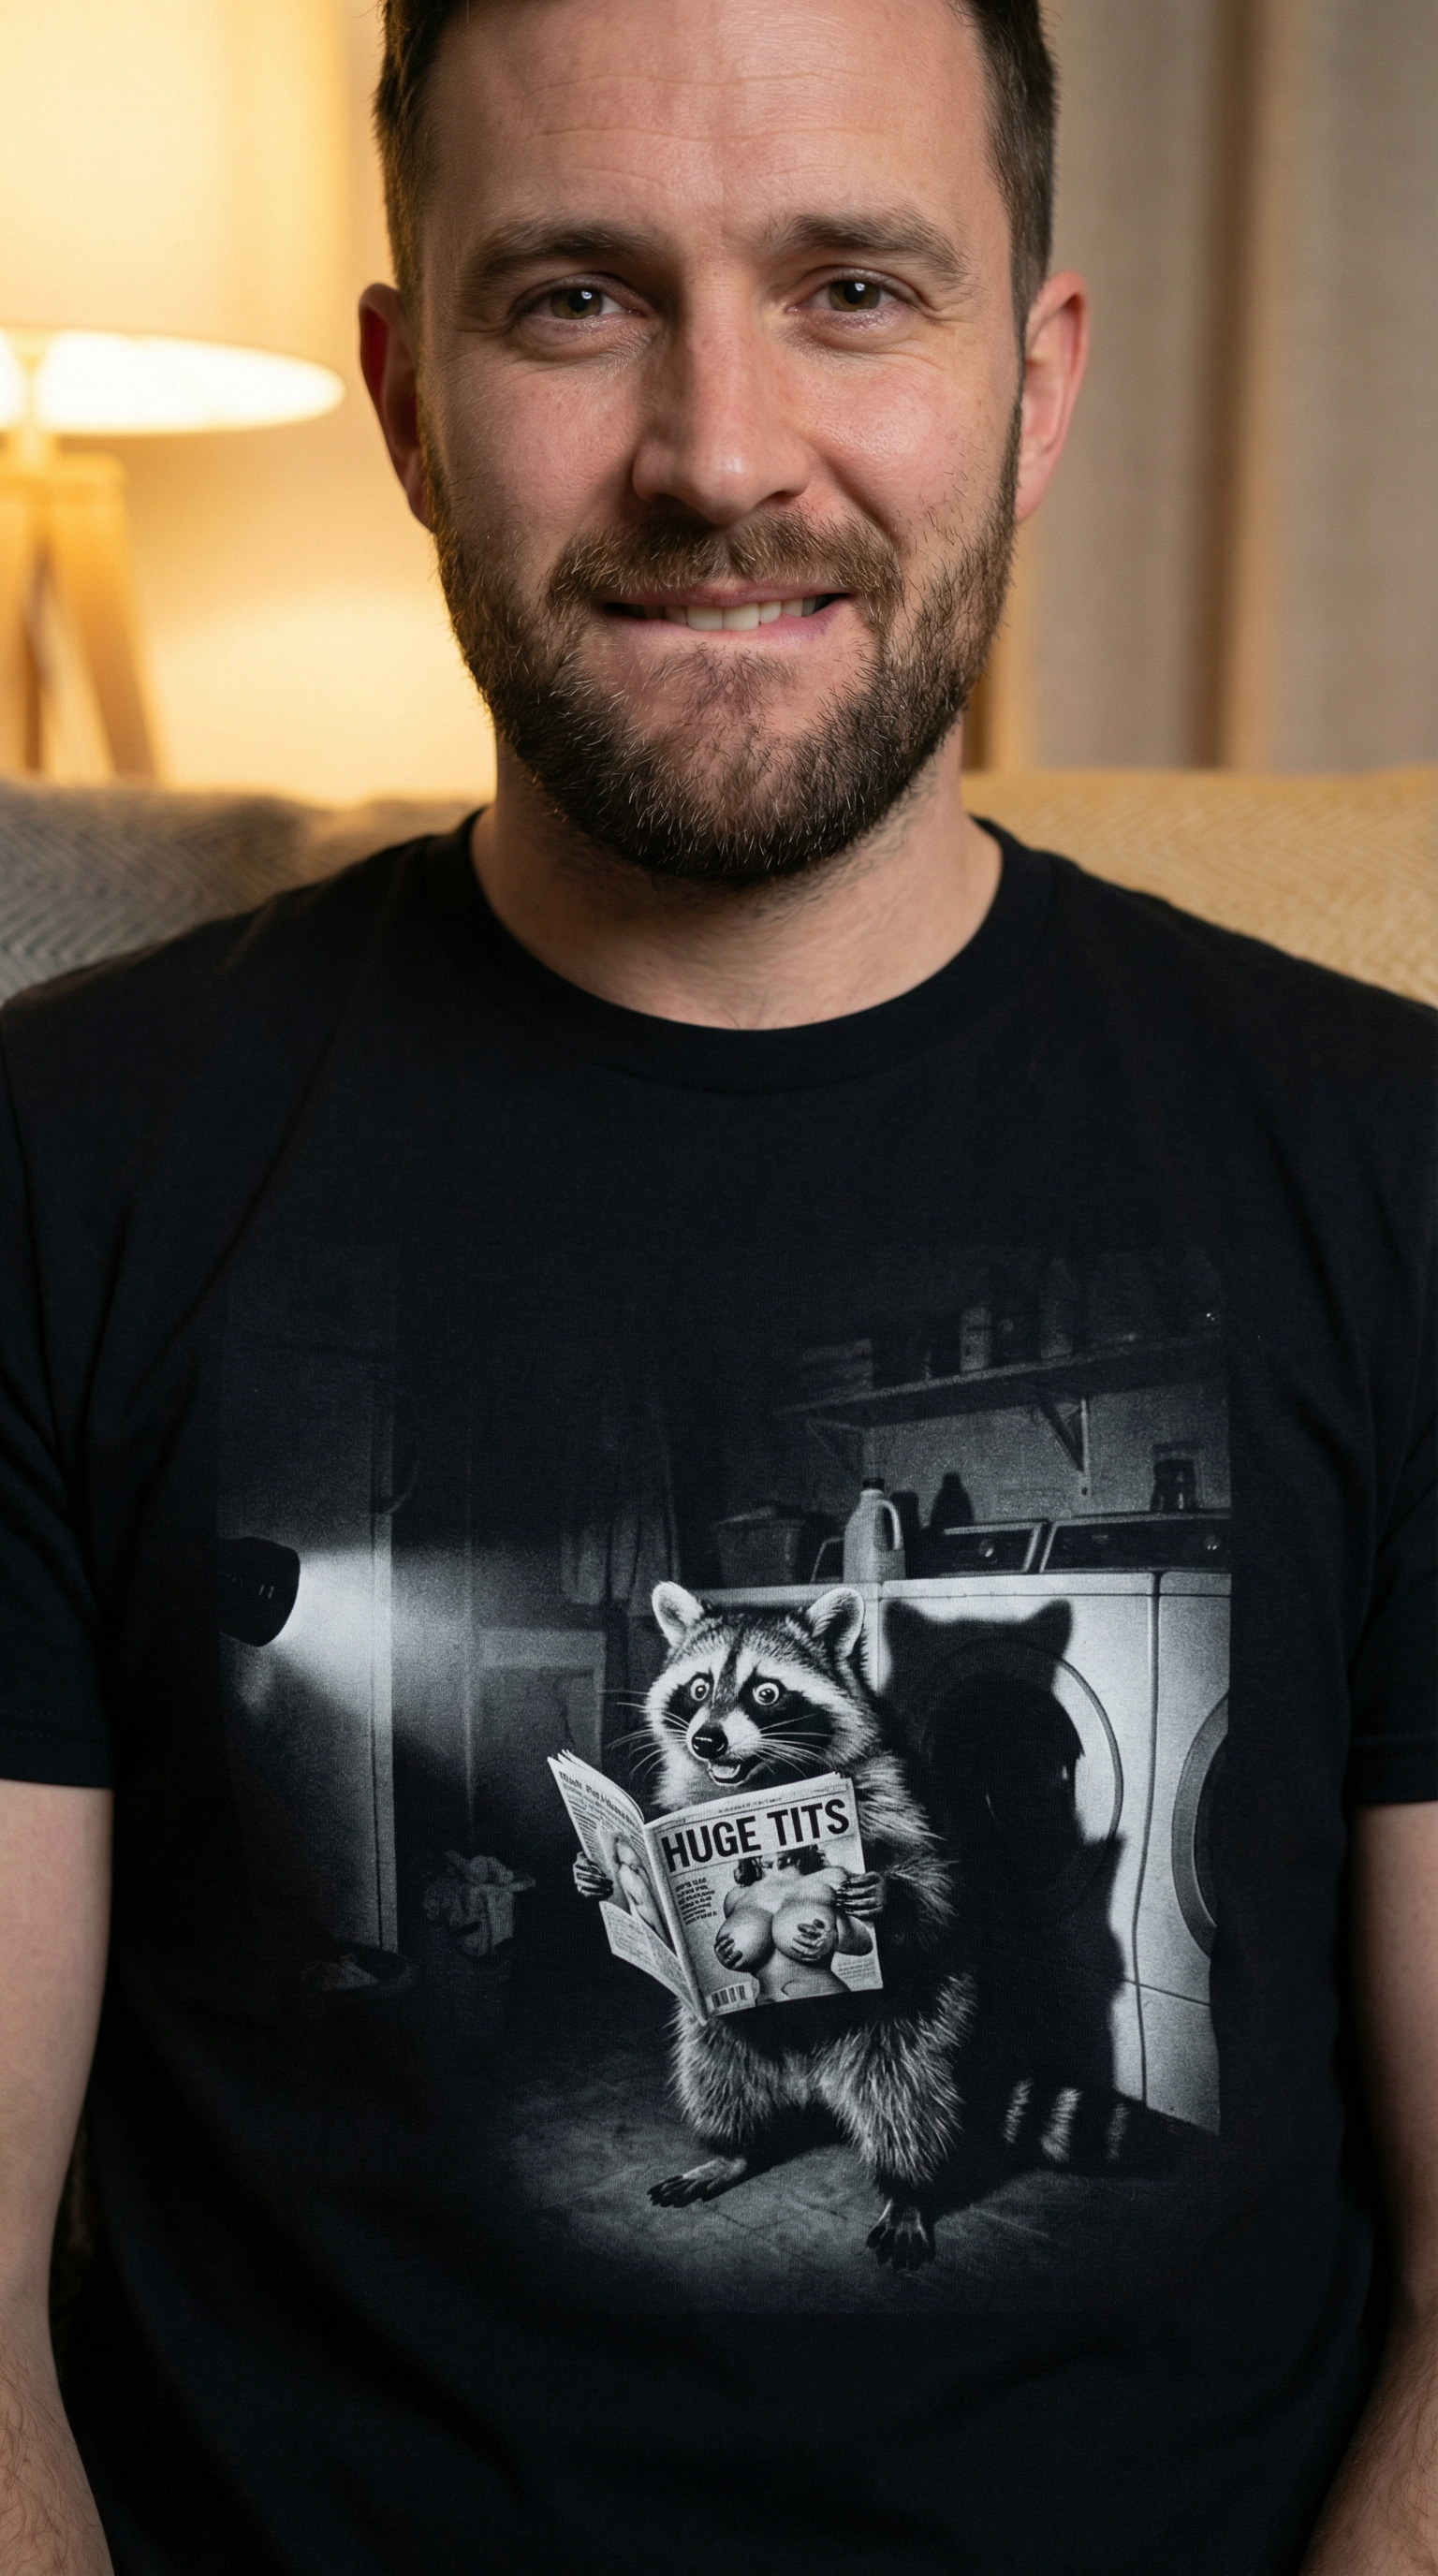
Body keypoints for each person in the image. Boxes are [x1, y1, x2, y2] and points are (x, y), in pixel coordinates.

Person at [0, 0, 1431, 2569]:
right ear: (406, 400)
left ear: (1037, 384)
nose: (722, 454)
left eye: (855, 289)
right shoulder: (49, 1159)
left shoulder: (1401, 1160)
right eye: (575, 298)